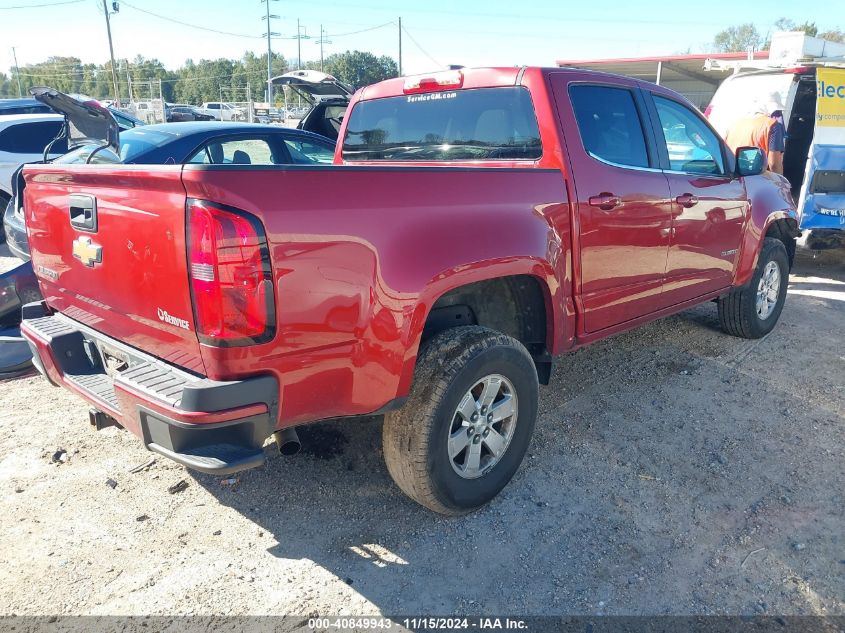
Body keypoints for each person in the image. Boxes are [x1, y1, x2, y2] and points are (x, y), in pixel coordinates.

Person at [725, 91, 787, 174]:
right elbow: (774, 165)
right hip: (755, 179)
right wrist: (780, 184)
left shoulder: (735, 123)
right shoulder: (772, 125)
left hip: (732, 177)